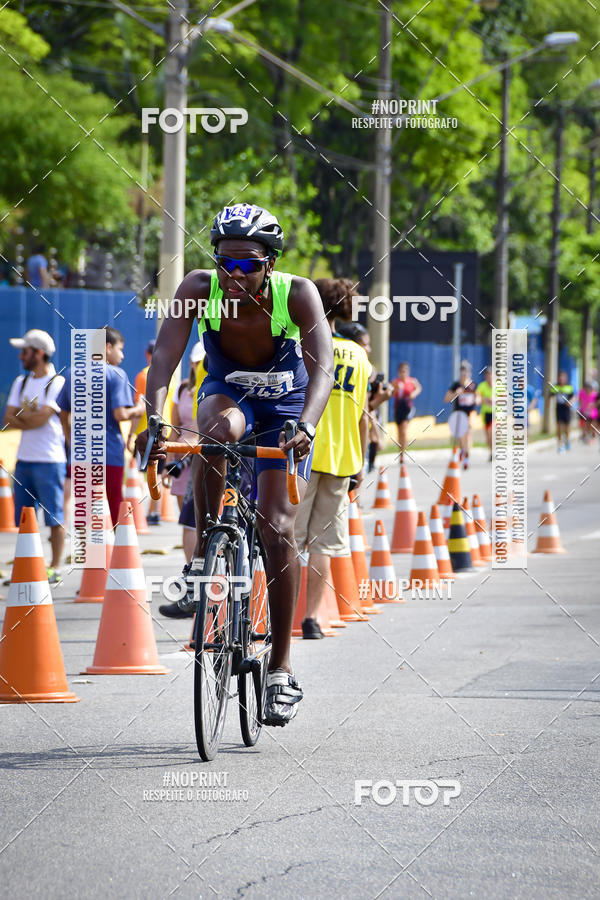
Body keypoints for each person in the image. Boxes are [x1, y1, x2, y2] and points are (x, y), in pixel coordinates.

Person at [136, 204, 333, 727]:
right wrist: (156, 420)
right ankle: (204, 558)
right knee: (216, 435)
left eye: (247, 265)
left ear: (270, 264)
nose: (235, 275)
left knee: (277, 527)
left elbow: (324, 368)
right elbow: (164, 358)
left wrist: (307, 425)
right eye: (226, 263)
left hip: (286, 407)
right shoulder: (199, 289)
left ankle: (281, 669)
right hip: (228, 394)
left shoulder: (298, 293)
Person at [295, 279, 370, 640]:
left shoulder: (304, 346)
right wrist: (361, 461)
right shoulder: (358, 354)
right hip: (342, 458)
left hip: (303, 453)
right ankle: (311, 618)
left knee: (289, 539)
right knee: (323, 544)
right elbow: (363, 415)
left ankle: (274, 616)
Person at [57, 327, 145, 527]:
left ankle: (88, 547)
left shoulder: (72, 373)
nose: (122, 355)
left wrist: (72, 441)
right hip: (108, 453)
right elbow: (120, 414)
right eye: (120, 349)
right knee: (112, 510)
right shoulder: (116, 374)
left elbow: (63, 415)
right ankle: (112, 546)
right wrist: (139, 409)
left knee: (86, 511)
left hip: (80, 456)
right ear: (107, 347)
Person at [3, 329, 66, 584]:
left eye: (25, 351)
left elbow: (40, 419)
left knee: (54, 517)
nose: (21, 356)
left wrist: (23, 418)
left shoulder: (56, 382)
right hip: (24, 459)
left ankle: (55, 567)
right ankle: (28, 567)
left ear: (39, 353)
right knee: (24, 519)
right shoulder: (21, 381)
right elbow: (7, 419)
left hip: (50, 459)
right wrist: (31, 418)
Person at [128, 339, 176, 525]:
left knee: (141, 472)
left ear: (148, 354)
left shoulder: (144, 375)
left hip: (146, 430)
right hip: (167, 428)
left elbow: (141, 406)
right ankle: (155, 512)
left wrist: (131, 434)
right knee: (159, 471)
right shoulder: (171, 377)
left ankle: (140, 510)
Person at [335, 321, 393, 471]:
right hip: (348, 444)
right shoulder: (361, 368)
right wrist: (380, 400)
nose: (369, 349)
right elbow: (363, 413)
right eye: (365, 344)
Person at [168, 341, 206, 563]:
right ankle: (192, 571)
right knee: (190, 518)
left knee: (210, 517)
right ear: (191, 363)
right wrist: (168, 462)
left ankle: (212, 566)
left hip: (210, 455)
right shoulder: (182, 389)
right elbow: (174, 428)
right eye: (198, 362)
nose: (201, 366)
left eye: (204, 362)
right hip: (183, 459)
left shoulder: (215, 385)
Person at [444, 361, 480, 469]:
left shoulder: (473, 385)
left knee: (468, 435)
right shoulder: (456, 385)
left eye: (466, 371)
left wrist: (477, 400)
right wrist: (455, 393)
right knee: (460, 437)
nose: (464, 374)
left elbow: (478, 398)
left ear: (470, 372)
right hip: (459, 414)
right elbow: (446, 399)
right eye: (462, 371)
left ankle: (467, 457)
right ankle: (462, 450)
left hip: (469, 414)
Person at [392, 362, 422, 461]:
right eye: (401, 371)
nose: (403, 373)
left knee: (404, 431)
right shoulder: (396, 382)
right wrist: (396, 389)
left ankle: (403, 454)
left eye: (405, 371)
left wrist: (413, 394)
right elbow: (390, 392)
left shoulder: (412, 381)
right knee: (399, 431)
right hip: (398, 407)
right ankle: (400, 451)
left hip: (407, 407)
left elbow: (419, 388)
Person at [550, 370, 575, 452]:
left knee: (567, 427)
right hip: (559, 408)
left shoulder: (569, 387)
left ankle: (567, 440)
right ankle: (560, 444)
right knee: (559, 427)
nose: (561, 379)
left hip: (566, 409)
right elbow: (550, 396)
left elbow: (573, 396)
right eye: (560, 377)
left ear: (565, 378)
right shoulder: (555, 387)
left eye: (563, 377)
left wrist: (570, 402)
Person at [476, 367, 493, 462]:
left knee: (492, 432)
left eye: (490, 374)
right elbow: (477, 398)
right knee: (488, 436)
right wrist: (485, 399)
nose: (489, 377)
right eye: (487, 375)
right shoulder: (482, 386)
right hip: (486, 414)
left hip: (496, 414)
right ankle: (491, 452)